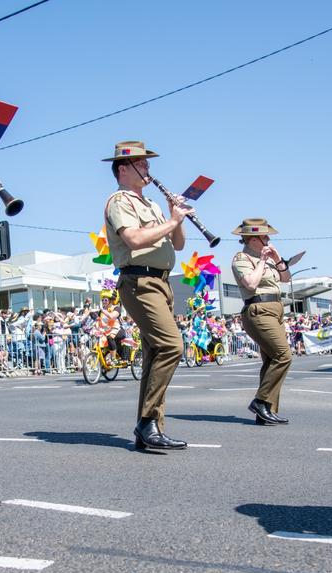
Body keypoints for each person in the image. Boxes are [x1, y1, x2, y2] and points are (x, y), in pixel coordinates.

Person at [102, 140, 190, 450]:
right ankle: (147, 422)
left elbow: (178, 244)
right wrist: (171, 222)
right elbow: (135, 239)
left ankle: (150, 428)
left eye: (148, 163)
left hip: (160, 282)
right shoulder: (119, 200)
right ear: (123, 169)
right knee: (171, 345)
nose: (148, 168)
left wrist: (173, 216)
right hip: (139, 280)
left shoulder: (150, 204)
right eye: (142, 163)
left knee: (155, 354)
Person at [230, 218, 301, 425]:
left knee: (271, 361)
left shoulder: (270, 258)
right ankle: (261, 401)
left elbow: (286, 278)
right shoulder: (241, 258)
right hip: (258, 309)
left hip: (276, 309)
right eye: (265, 236)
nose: (269, 239)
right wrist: (261, 260)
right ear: (253, 239)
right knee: (283, 355)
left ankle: (267, 410)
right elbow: (251, 284)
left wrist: (278, 259)